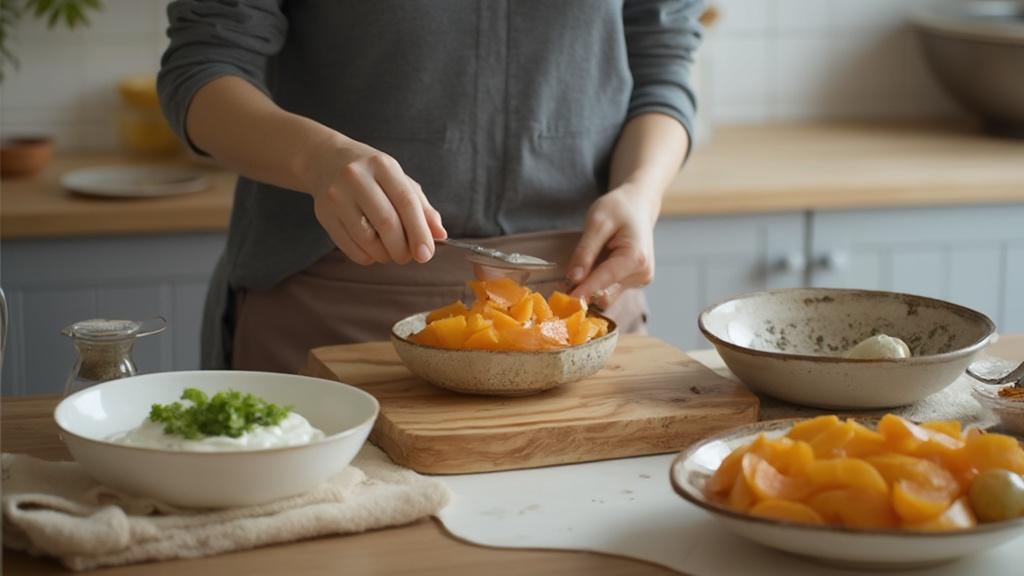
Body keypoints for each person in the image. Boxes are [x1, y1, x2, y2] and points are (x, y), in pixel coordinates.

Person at [158, 0, 703, 373]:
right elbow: (205, 65)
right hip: (329, 311)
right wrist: (318, 159)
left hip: (582, 308)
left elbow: (662, 67)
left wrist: (640, 190)